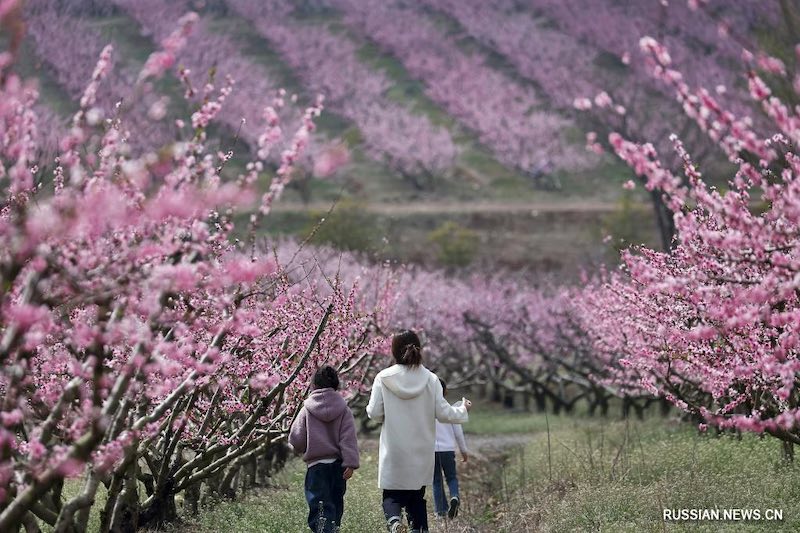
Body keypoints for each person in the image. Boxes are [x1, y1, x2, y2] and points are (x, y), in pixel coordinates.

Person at [366, 330, 472, 533]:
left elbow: (374, 412)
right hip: (421, 451)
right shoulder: (431, 379)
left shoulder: (383, 378)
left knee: (392, 495)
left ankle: (395, 522)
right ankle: (418, 529)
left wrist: (385, 416)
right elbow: (444, 413)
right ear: (419, 349)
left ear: (394, 351)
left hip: (394, 450)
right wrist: (463, 409)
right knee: (416, 497)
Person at [289, 365, 360, 533]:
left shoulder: (307, 409)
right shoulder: (344, 410)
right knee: (335, 503)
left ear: (314, 385)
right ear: (336, 385)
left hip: (316, 467)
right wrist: (350, 463)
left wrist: (298, 448)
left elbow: (296, 438)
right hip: (338, 467)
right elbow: (348, 439)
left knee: (320, 506)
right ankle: (333, 529)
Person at [433, 379, 469, 519]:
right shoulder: (450, 409)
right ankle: (454, 496)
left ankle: (440, 512)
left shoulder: (425, 410)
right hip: (447, 450)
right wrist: (464, 451)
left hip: (431, 451)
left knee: (436, 481)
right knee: (451, 477)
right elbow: (458, 434)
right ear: (445, 391)